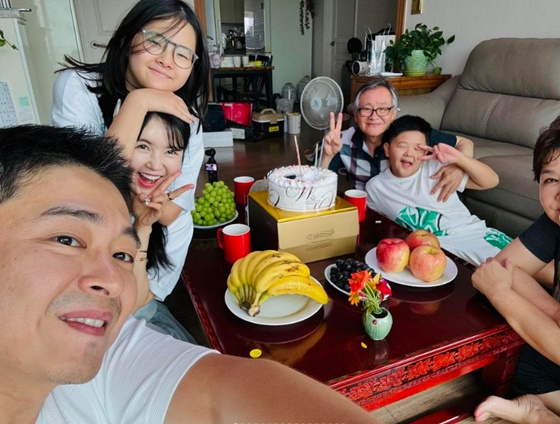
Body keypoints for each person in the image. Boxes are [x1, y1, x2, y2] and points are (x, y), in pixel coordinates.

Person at [0, 125, 380, 424]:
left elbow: (226, 389)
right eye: (66, 239)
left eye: (121, 255)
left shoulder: (106, 354)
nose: (113, 281)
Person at [51, 0, 210, 339]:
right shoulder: (78, 86)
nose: (167, 59)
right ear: (128, 36)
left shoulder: (189, 120)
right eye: (156, 41)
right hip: (88, 240)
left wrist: (144, 209)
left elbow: (172, 212)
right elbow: (88, 191)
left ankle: (142, 302)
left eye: (183, 54)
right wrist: (140, 101)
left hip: (148, 242)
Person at [471, 115, 560, 423]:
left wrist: (501, 294)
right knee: (520, 355)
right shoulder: (554, 223)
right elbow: (500, 268)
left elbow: (496, 282)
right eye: (551, 180)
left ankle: (537, 417)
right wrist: (553, 312)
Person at [365, 115, 511, 266]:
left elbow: (491, 181)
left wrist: (459, 160)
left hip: (471, 233)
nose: (409, 153)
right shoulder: (376, 188)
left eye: (418, 148)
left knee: (517, 265)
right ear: (387, 149)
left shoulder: (437, 168)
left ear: (425, 153)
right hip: (433, 248)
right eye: (402, 146)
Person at [320, 78, 474, 199]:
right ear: (356, 115)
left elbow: (464, 143)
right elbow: (319, 187)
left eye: (382, 109)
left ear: (393, 113)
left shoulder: (410, 136)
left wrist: (459, 167)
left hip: (403, 210)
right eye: (366, 109)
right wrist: (326, 156)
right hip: (369, 211)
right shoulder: (341, 141)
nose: (374, 116)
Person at [131, 112, 196, 341]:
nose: (155, 164)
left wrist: (143, 227)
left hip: (136, 318)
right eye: (142, 146)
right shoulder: (89, 203)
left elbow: (137, 301)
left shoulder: (177, 225)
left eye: (171, 151)